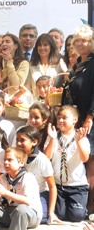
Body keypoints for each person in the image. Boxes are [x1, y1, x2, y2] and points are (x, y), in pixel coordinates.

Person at [61, 25, 94, 214]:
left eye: (86, 40)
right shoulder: (77, 65)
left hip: (90, 120)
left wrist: (90, 117)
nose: (81, 44)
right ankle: (81, 205)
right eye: (78, 41)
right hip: (76, 120)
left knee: (90, 163)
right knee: (80, 163)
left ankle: (91, 206)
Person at [44, 105, 90, 222]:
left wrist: (78, 142)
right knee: (60, 215)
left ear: (75, 120)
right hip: (58, 185)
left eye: (64, 118)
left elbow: (84, 159)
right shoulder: (53, 136)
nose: (60, 120)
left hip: (77, 185)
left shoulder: (81, 137)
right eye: (59, 118)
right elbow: (46, 157)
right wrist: (52, 139)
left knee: (77, 216)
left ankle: (82, 208)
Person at [0, 147, 42, 230]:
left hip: (30, 214)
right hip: (10, 211)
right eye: (5, 160)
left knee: (21, 209)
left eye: (10, 160)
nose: (6, 162)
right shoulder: (3, 177)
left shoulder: (28, 177)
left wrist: (6, 193)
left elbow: (27, 201)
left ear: (21, 163)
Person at [16, 126, 61, 224]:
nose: (18, 143)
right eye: (17, 140)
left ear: (34, 142)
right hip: (19, 192)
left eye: (22, 140)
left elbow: (52, 187)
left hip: (39, 193)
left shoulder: (42, 160)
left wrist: (51, 212)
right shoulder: (15, 156)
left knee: (41, 218)